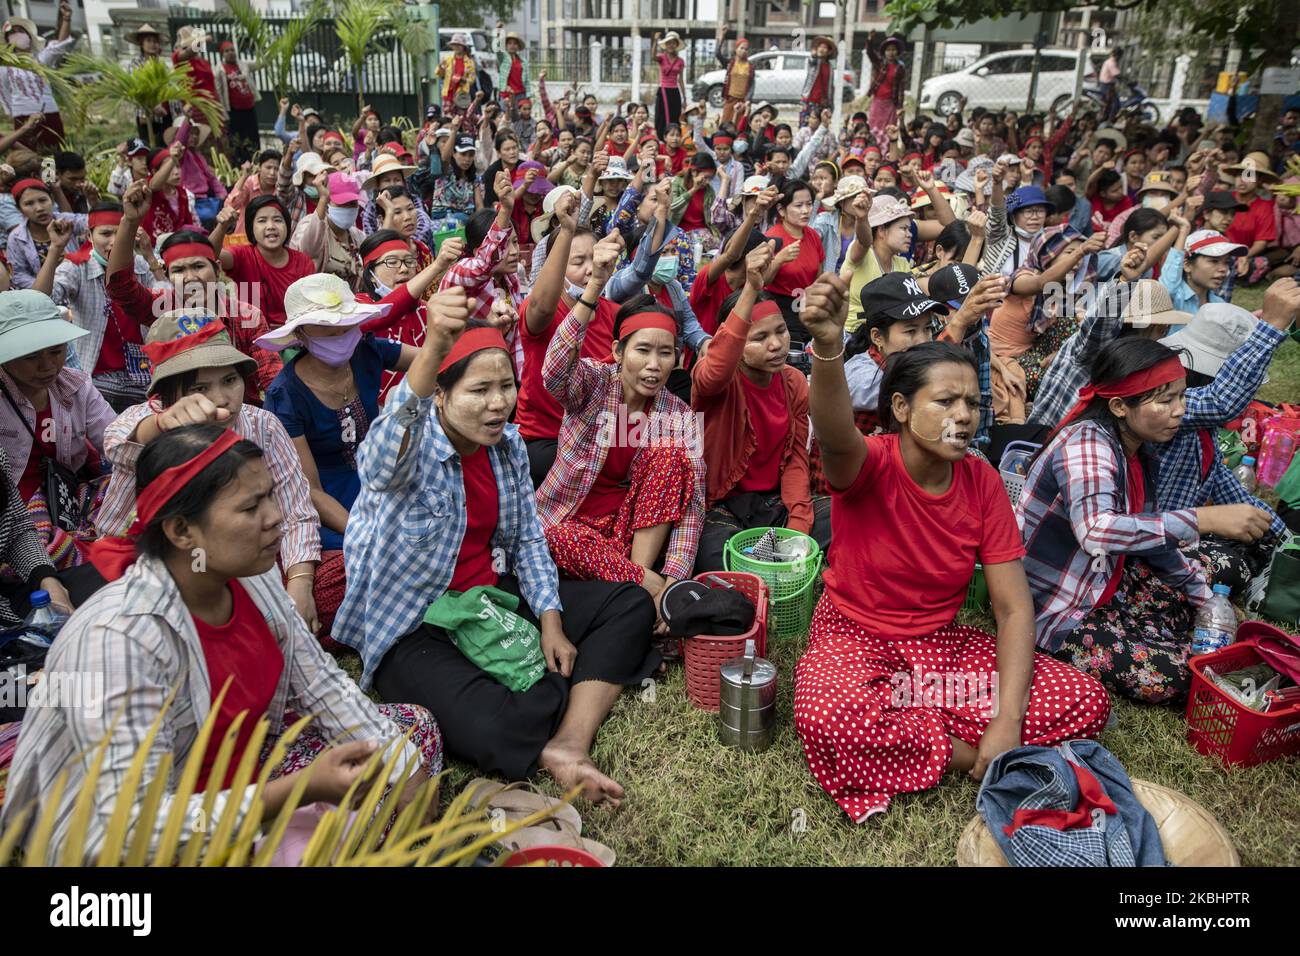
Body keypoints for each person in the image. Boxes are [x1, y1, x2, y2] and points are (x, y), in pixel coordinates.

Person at [1, 423, 442, 865]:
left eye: (270, 495)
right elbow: (131, 825)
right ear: (181, 531)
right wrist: (298, 790)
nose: (276, 517)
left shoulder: (250, 578)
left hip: (233, 777)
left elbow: (322, 684)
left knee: (409, 732)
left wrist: (402, 769)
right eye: (252, 506)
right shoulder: (119, 639)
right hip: (128, 836)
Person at [792, 275, 1110, 821]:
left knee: (1084, 699)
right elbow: (834, 429)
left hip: (941, 651)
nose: (963, 415)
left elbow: (1012, 608)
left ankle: (918, 727)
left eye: (972, 402)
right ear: (900, 407)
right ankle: (966, 754)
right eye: (945, 401)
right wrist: (826, 347)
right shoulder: (869, 463)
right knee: (830, 714)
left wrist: (1007, 721)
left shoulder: (983, 481)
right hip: (855, 639)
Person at [334, 291, 658, 804]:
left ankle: (568, 742)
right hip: (416, 626)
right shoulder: (410, 449)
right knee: (497, 729)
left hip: (491, 598)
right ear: (439, 395)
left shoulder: (505, 447)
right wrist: (435, 344)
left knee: (630, 602)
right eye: (479, 389)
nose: (497, 403)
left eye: (505, 386)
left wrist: (551, 622)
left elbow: (528, 540)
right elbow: (375, 464)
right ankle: (560, 691)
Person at [1018, 337, 1271, 703]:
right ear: (1120, 406)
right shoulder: (1087, 446)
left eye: (1182, 397)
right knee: (1175, 676)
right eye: (1165, 400)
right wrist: (1203, 518)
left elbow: (1149, 531)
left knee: (1218, 577)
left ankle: (1168, 628)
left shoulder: (1138, 450)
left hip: (1106, 580)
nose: (1180, 410)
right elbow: (1096, 531)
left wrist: (1201, 598)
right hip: (1055, 608)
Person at [97, 306, 327, 636]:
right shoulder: (149, 422)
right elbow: (118, 445)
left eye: (230, 380)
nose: (221, 399)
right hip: (153, 563)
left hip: (246, 557)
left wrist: (301, 585)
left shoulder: (262, 425)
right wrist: (162, 425)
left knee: (341, 577)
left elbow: (296, 514)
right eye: (199, 388)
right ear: (164, 396)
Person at [692, 243, 831, 571]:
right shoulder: (715, 381)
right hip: (721, 509)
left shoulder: (794, 381)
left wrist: (798, 528)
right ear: (737, 345)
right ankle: (775, 569)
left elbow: (797, 459)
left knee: (842, 517)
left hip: (774, 503)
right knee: (720, 555)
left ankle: (781, 562)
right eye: (758, 338)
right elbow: (715, 369)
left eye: (781, 331)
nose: (775, 344)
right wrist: (753, 286)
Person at [258, 274, 420, 555]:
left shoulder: (367, 351)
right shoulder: (285, 396)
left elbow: (433, 360)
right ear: (300, 334)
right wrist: (362, 530)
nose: (340, 335)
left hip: (384, 480)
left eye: (347, 325)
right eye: (326, 328)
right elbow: (310, 489)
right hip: (330, 505)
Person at [107, 181, 282, 406]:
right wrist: (130, 221)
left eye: (199, 266)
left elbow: (270, 375)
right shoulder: (163, 309)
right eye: (179, 270)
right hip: (178, 417)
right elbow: (120, 287)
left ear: (217, 269)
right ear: (168, 276)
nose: (191, 277)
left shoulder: (246, 315)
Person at [0, 290, 113, 573]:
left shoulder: (75, 385)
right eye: (31, 357)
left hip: (68, 496)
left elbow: (116, 437)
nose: (48, 366)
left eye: (55, 351)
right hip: (14, 511)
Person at [36, 203, 161, 413]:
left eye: (120, 233)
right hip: (94, 380)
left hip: (144, 377)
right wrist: (55, 249)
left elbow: (167, 306)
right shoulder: (77, 267)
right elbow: (40, 301)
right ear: (89, 235)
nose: (114, 241)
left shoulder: (140, 266)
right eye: (105, 233)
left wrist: (150, 257)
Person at [355, 228, 464, 402]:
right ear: (372, 275)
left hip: (425, 405)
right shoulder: (359, 305)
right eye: (392, 262)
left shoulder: (427, 311)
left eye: (409, 261)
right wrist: (437, 265)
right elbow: (384, 313)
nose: (404, 269)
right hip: (377, 414)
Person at [210, 195, 316, 329]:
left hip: (295, 337)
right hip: (253, 336)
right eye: (262, 221)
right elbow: (208, 254)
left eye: (277, 220)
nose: (271, 226)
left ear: (287, 226)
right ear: (251, 229)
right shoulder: (242, 255)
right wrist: (222, 226)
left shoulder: (303, 262)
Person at [0, 4, 74, 151]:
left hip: (49, 113)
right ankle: (32, 175)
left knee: (52, 155)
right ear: (8, 41)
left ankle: (50, 175)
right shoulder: (5, 67)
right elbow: (4, 92)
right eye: (12, 33)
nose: (17, 35)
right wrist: (14, 110)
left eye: (20, 31)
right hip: (23, 117)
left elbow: (59, 46)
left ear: (29, 36)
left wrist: (66, 19)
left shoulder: (40, 59)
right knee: (28, 157)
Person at [764, 179, 824, 347]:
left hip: (808, 308)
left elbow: (818, 277)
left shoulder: (813, 236)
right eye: (798, 206)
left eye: (809, 204)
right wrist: (779, 260)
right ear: (782, 210)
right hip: (780, 310)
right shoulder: (772, 238)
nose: (806, 211)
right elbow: (761, 280)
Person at [6, 178, 86, 291]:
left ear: (52, 200)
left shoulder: (67, 221)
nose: (39, 208)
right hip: (43, 296)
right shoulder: (16, 238)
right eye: (29, 203)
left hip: (77, 290)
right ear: (20, 209)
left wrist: (92, 201)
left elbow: (94, 224)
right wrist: (50, 287)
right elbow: (19, 275)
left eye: (43, 200)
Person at [288, 171, 365, 286]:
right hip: (317, 300)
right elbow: (307, 250)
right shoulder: (309, 223)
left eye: (352, 204)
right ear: (328, 204)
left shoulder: (357, 236)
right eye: (342, 204)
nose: (348, 208)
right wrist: (323, 198)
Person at [215, 40, 261, 166]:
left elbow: (260, 64)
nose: (231, 53)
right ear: (222, 54)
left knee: (253, 139)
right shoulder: (220, 70)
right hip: (234, 112)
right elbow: (218, 94)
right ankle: (240, 166)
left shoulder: (243, 64)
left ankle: (255, 163)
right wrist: (224, 114)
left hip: (249, 109)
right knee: (237, 142)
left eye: (232, 50)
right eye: (227, 51)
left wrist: (258, 45)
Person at [124, 23, 171, 145]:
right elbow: (137, 89)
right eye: (149, 41)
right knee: (149, 148)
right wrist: (152, 107)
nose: (153, 44)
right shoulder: (135, 64)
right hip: (146, 114)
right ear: (141, 43)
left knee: (165, 149)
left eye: (155, 41)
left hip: (166, 113)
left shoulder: (162, 64)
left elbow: (170, 86)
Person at [866, 33, 907, 148]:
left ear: (897, 52)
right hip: (878, 102)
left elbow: (901, 88)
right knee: (874, 127)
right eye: (888, 50)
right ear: (884, 52)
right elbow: (870, 54)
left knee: (888, 128)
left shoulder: (900, 67)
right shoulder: (880, 63)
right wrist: (870, 41)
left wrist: (899, 106)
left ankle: (886, 152)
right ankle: (873, 149)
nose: (891, 52)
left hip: (890, 104)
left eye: (893, 50)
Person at [714, 25, 754, 126]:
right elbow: (717, 54)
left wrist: (747, 101)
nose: (744, 51)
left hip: (742, 102)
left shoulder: (750, 67)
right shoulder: (730, 64)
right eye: (741, 48)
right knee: (726, 125)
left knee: (740, 126)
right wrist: (722, 37)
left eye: (746, 49)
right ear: (736, 49)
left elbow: (752, 85)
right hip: (730, 100)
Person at [651, 31, 686, 139]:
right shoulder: (662, 57)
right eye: (668, 43)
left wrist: (684, 97)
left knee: (674, 116)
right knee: (660, 117)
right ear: (665, 45)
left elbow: (680, 80)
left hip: (674, 91)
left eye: (673, 43)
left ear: (676, 45)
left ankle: (673, 138)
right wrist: (656, 41)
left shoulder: (680, 61)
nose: (671, 45)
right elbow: (653, 57)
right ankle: (662, 139)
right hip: (663, 91)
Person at [435, 33, 477, 116]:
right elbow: (439, 74)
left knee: (462, 119)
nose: (456, 47)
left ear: (463, 47)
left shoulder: (469, 62)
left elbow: (472, 79)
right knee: (448, 119)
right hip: (448, 95)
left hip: (461, 95)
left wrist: (463, 80)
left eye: (458, 45)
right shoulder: (447, 59)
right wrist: (441, 67)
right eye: (454, 45)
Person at [801, 35, 837, 127]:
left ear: (829, 51)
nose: (822, 49)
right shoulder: (815, 62)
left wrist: (830, 103)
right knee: (805, 124)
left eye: (825, 47)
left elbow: (830, 87)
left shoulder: (830, 67)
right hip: (810, 99)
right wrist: (814, 55)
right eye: (820, 46)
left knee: (820, 126)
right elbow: (811, 60)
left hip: (822, 102)